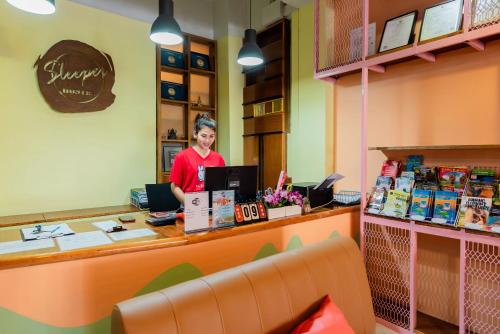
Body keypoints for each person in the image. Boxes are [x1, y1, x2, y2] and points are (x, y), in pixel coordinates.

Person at [170, 113, 225, 204]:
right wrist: (189, 204)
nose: (207, 141)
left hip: (213, 206)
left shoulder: (219, 158)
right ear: (195, 134)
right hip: (190, 207)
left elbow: (222, 186)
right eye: (203, 136)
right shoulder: (182, 156)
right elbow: (174, 186)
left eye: (211, 136)